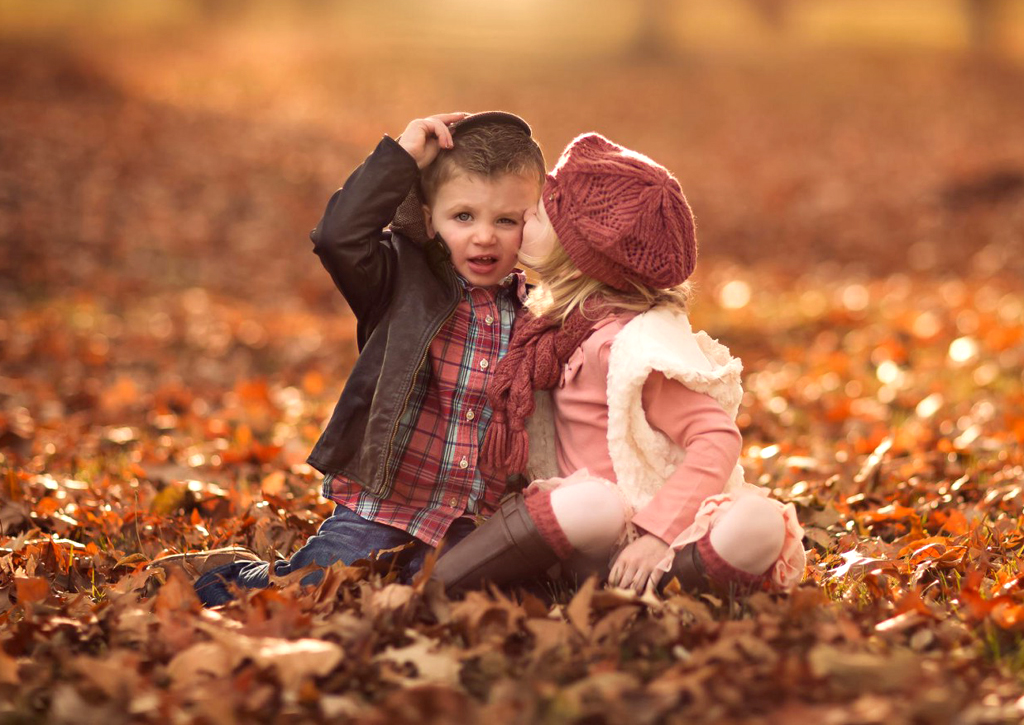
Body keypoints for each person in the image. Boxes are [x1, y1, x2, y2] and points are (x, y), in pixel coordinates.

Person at [153, 112, 546, 606]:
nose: (484, 236)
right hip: (383, 507)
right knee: (316, 590)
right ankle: (226, 577)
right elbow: (337, 237)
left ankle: (410, 578)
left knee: (448, 599)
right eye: (463, 216)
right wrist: (400, 159)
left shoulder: (539, 311)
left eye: (505, 220)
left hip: (472, 518)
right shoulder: (400, 278)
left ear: (532, 224)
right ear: (429, 217)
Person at [430, 132, 805, 596]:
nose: (526, 213)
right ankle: (439, 585)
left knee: (758, 522)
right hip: (586, 528)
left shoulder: (629, 346)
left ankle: (657, 587)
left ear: (578, 254)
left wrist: (654, 536)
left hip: (657, 528)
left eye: (542, 213)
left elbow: (715, 438)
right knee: (593, 505)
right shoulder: (551, 327)